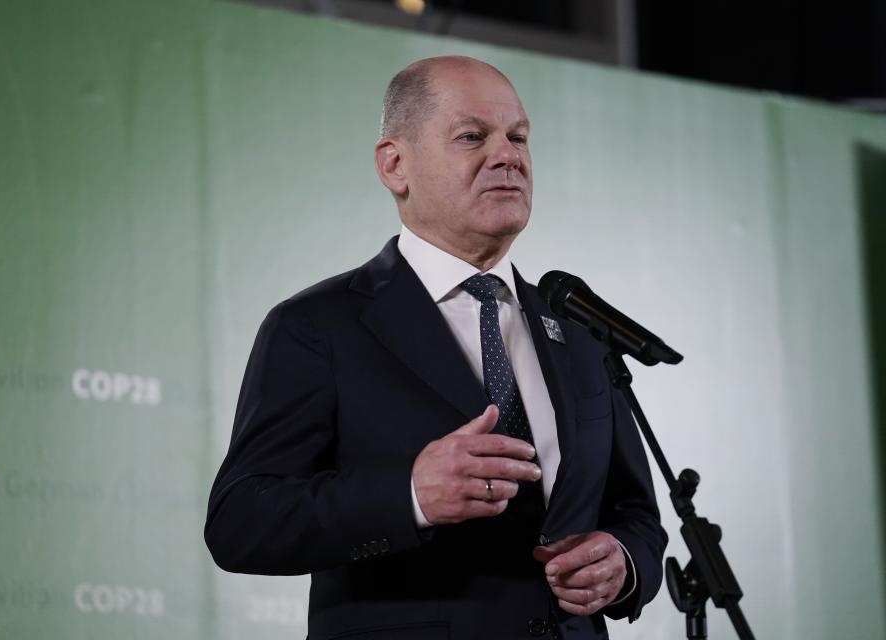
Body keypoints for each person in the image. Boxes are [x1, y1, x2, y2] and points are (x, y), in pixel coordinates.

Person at [205, 55, 667, 640]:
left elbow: (634, 514)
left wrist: (622, 564)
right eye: (473, 136)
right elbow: (241, 521)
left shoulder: (576, 330)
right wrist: (410, 496)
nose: (508, 156)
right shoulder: (318, 325)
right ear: (395, 164)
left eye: (518, 136)